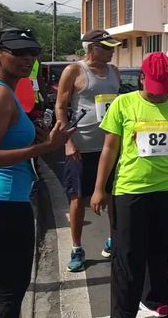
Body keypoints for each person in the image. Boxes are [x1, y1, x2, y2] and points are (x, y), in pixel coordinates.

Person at [90, 53, 168, 318]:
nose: (160, 96)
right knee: (127, 256)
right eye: (154, 90)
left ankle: (155, 300)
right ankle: (123, 311)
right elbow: (109, 149)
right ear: (142, 79)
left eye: (164, 90)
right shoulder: (123, 104)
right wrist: (99, 188)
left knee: (160, 249)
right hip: (131, 190)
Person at [0, 29, 73, 317]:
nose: (27, 59)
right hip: (6, 206)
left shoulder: (10, 91)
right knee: (9, 291)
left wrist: (37, 140)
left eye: (32, 53)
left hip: (11, 201)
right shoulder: (2, 94)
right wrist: (44, 149)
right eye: (17, 52)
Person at [55, 29, 121, 272]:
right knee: (78, 199)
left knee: (115, 195)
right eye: (107, 47)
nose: (112, 51)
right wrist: (68, 143)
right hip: (82, 147)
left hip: (110, 146)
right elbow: (61, 107)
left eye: (112, 46)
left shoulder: (114, 71)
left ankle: (114, 240)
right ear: (91, 48)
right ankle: (77, 248)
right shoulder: (74, 70)